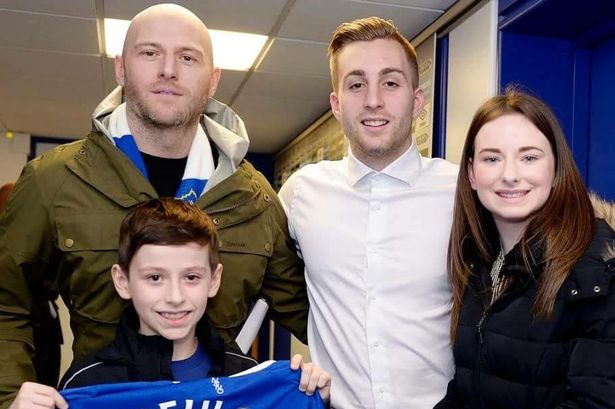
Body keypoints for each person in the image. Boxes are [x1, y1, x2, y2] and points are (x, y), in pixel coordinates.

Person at [0, 4, 307, 407]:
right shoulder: (53, 181)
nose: (168, 69)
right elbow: (6, 302)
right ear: (121, 69)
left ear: (213, 80)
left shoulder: (254, 197)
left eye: (187, 57)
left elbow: (316, 311)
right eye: (149, 53)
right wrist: (9, 398)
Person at [279, 16, 458, 409]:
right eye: (356, 84)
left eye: (391, 82)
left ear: (417, 101)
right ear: (336, 104)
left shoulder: (461, 192)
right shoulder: (299, 193)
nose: (373, 100)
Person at [8, 198, 330, 409]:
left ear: (214, 280)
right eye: (155, 278)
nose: (175, 297)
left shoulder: (247, 378)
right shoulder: (89, 383)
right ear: (123, 281)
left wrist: (309, 393)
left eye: (191, 277)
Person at [434, 89, 615, 408]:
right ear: (473, 174)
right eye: (492, 159)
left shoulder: (597, 267)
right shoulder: (480, 264)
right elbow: (469, 386)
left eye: (529, 157)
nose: (510, 175)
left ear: (556, 169)